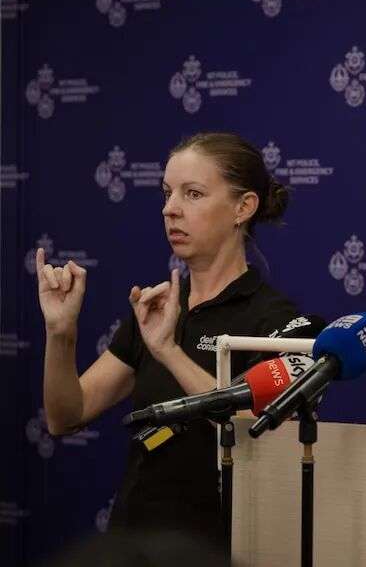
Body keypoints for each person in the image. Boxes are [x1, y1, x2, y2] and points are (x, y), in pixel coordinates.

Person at [38, 132, 310, 550]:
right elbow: (65, 416)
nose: (170, 209)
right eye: (167, 194)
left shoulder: (278, 321)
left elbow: (258, 434)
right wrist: (61, 332)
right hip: (133, 544)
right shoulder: (158, 307)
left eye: (193, 194)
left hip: (219, 549)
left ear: (243, 207)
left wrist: (169, 351)